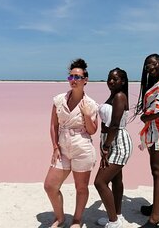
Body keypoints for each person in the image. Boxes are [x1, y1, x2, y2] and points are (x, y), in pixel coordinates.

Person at [44, 58, 99, 228]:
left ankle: (77, 219)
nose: (73, 80)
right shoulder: (59, 100)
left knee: (81, 188)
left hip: (82, 146)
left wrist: (87, 115)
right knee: (50, 186)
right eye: (71, 77)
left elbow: (92, 131)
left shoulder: (90, 104)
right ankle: (60, 218)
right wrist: (54, 147)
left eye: (77, 77)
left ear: (85, 80)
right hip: (62, 146)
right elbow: (53, 125)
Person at [133, 54, 159, 228]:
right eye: (147, 66)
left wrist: (145, 117)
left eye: (153, 64)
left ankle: (155, 219)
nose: (150, 68)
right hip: (157, 130)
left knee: (157, 171)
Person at [94, 68, 133, 228]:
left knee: (100, 182)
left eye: (115, 79)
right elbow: (107, 121)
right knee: (116, 180)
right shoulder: (113, 96)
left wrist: (106, 146)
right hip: (111, 140)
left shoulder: (119, 96)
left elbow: (115, 124)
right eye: (109, 79)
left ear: (122, 81)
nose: (111, 81)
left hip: (118, 143)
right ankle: (117, 215)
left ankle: (114, 222)